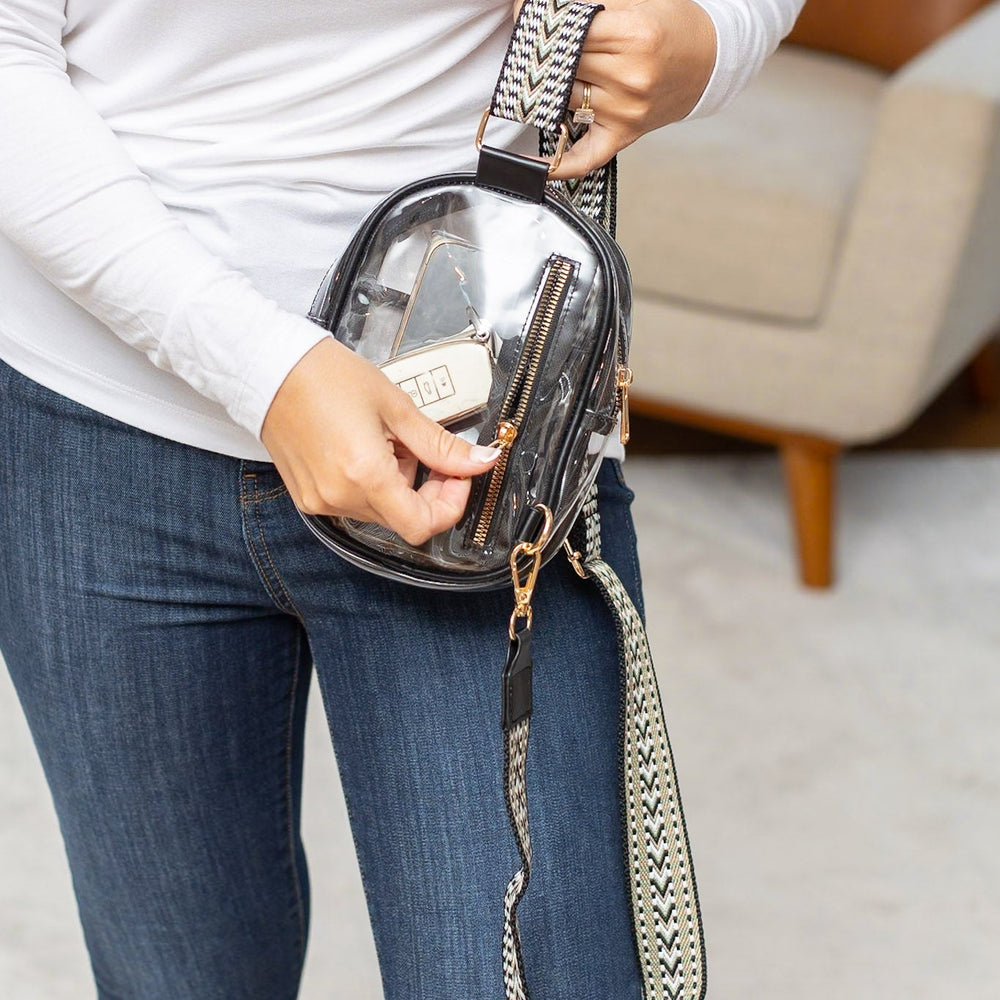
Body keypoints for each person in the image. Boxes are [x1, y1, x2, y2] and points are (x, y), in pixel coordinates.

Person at [0, 1, 804, 997]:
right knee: (173, 974)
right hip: (91, 422)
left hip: (490, 428)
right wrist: (269, 372)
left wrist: (719, 36)